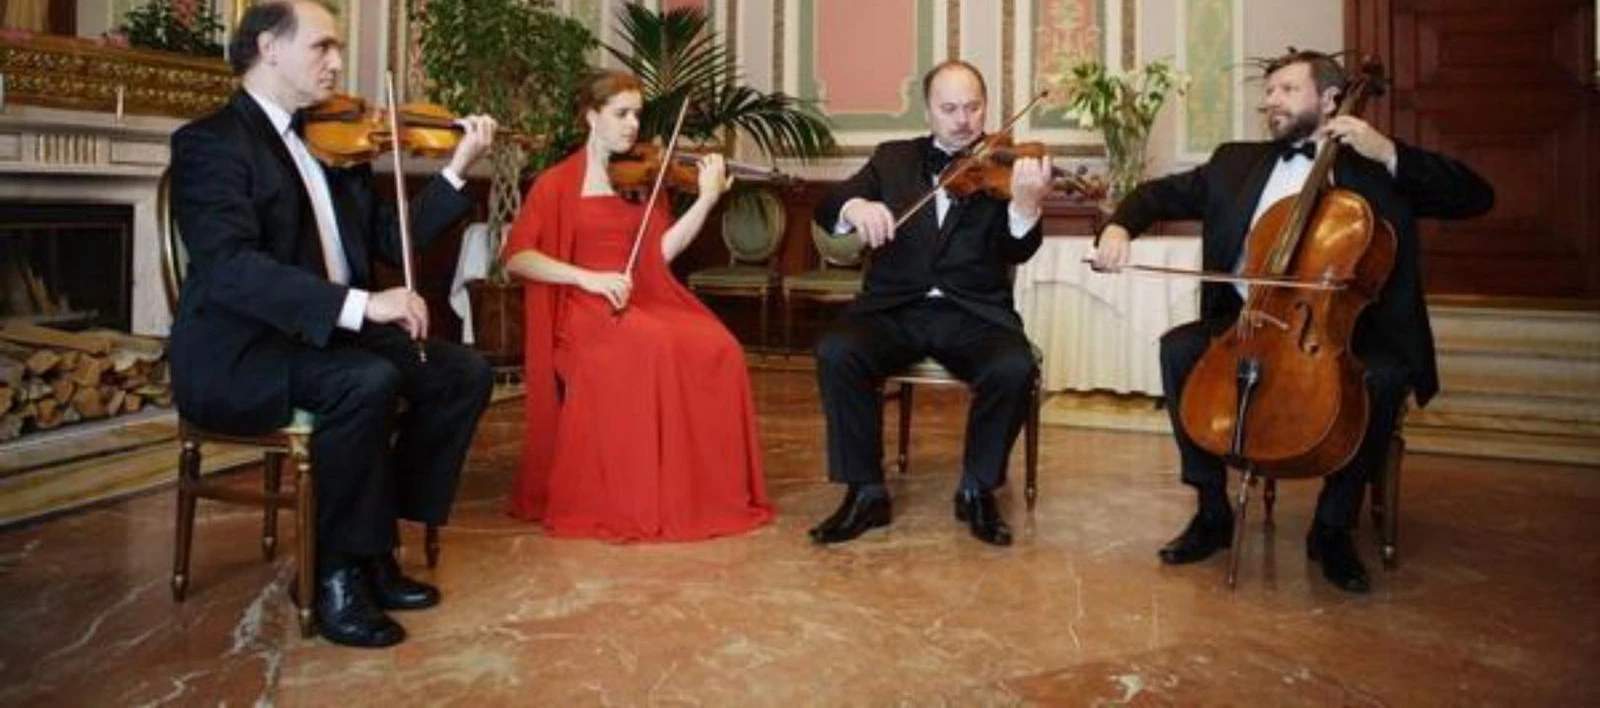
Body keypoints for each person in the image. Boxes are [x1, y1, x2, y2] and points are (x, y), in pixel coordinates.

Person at [1090, 49, 1493, 592]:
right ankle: (1211, 511)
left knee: (1381, 377)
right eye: (1269, 92)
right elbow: (1154, 195)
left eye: (1286, 90)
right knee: (1180, 347)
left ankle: (1333, 526)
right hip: (1252, 320)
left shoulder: (1375, 168)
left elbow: (1474, 197)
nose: (1271, 101)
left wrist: (1388, 151)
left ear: (1329, 100)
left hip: (1346, 331)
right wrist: (1119, 227)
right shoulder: (1235, 162)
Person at [168, 0, 496, 649]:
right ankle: (333, 573)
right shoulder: (211, 142)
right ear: (268, 48)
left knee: (461, 372)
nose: (338, 63)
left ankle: (373, 546)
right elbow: (231, 267)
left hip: (327, 337)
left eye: (337, 48)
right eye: (322, 46)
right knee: (365, 381)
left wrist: (457, 171)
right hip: (242, 351)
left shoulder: (331, 142)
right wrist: (363, 305)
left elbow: (392, 239)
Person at [502, 69, 773, 541]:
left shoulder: (642, 180)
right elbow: (518, 258)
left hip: (642, 293)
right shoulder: (555, 183)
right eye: (621, 114)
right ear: (592, 117)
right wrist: (587, 277)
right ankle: (648, 494)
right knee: (654, 343)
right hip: (584, 307)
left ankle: (698, 492)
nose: (633, 125)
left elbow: (658, 255)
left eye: (637, 114)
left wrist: (706, 200)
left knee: (720, 346)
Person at [809, 60, 1049, 547]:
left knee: (1013, 366)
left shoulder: (1005, 167)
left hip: (973, 313)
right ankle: (865, 492)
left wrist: (1025, 208)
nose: (962, 120)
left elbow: (1016, 250)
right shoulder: (892, 159)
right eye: (949, 108)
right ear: (928, 111)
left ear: (986, 107)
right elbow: (829, 205)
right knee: (837, 350)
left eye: (973, 108)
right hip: (894, 310)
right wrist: (857, 207)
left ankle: (977, 489)